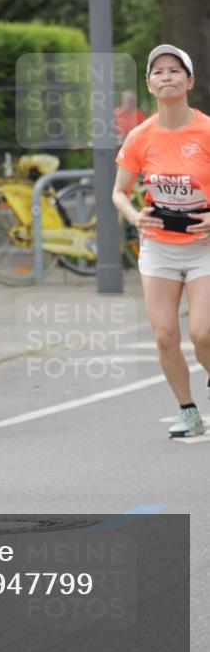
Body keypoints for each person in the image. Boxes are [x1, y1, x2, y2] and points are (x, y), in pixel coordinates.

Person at [112, 45, 210, 438]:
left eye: (174, 70)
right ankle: (188, 411)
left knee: (203, 332)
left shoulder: (206, 130)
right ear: (149, 85)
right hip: (158, 247)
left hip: (203, 246)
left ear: (189, 81)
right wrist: (135, 216)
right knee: (166, 335)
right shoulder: (140, 136)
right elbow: (118, 192)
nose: (166, 77)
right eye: (158, 72)